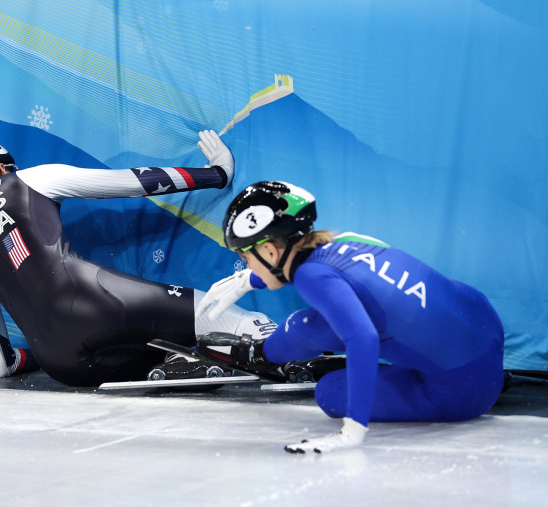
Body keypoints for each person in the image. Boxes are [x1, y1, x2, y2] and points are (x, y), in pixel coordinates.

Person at [0, 132, 276, 386]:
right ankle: (281, 342)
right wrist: (218, 174)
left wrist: (38, 352)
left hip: (64, 365)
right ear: (1, 169)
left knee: (163, 347)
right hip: (99, 305)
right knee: (212, 310)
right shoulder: (26, 180)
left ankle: (179, 360)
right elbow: (136, 182)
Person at [196, 180, 505, 454]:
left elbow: (363, 338)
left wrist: (352, 430)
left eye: (245, 258)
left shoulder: (310, 276)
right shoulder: (340, 240)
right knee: (322, 322)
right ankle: (266, 353)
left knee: (329, 391)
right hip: (486, 330)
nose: (246, 266)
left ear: (270, 252)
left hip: (465, 392)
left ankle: (261, 355)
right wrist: (250, 280)